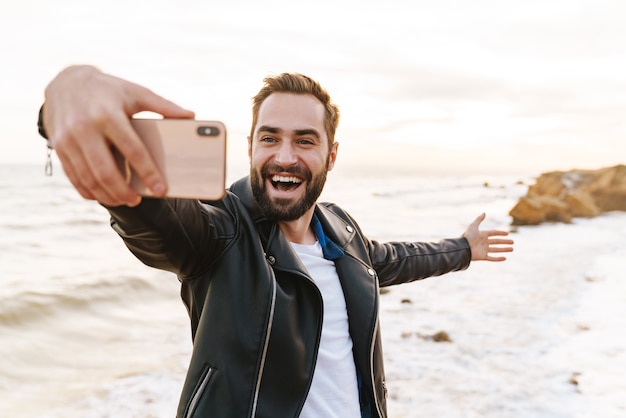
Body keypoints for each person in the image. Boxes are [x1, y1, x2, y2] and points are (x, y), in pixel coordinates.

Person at [38, 65, 514, 418]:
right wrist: (68, 95)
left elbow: (393, 259)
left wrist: (463, 249)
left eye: (305, 141)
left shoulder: (340, 230)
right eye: (270, 138)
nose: (284, 157)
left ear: (331, 155)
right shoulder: (221, 231)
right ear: (250, 147)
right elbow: (155, 217)